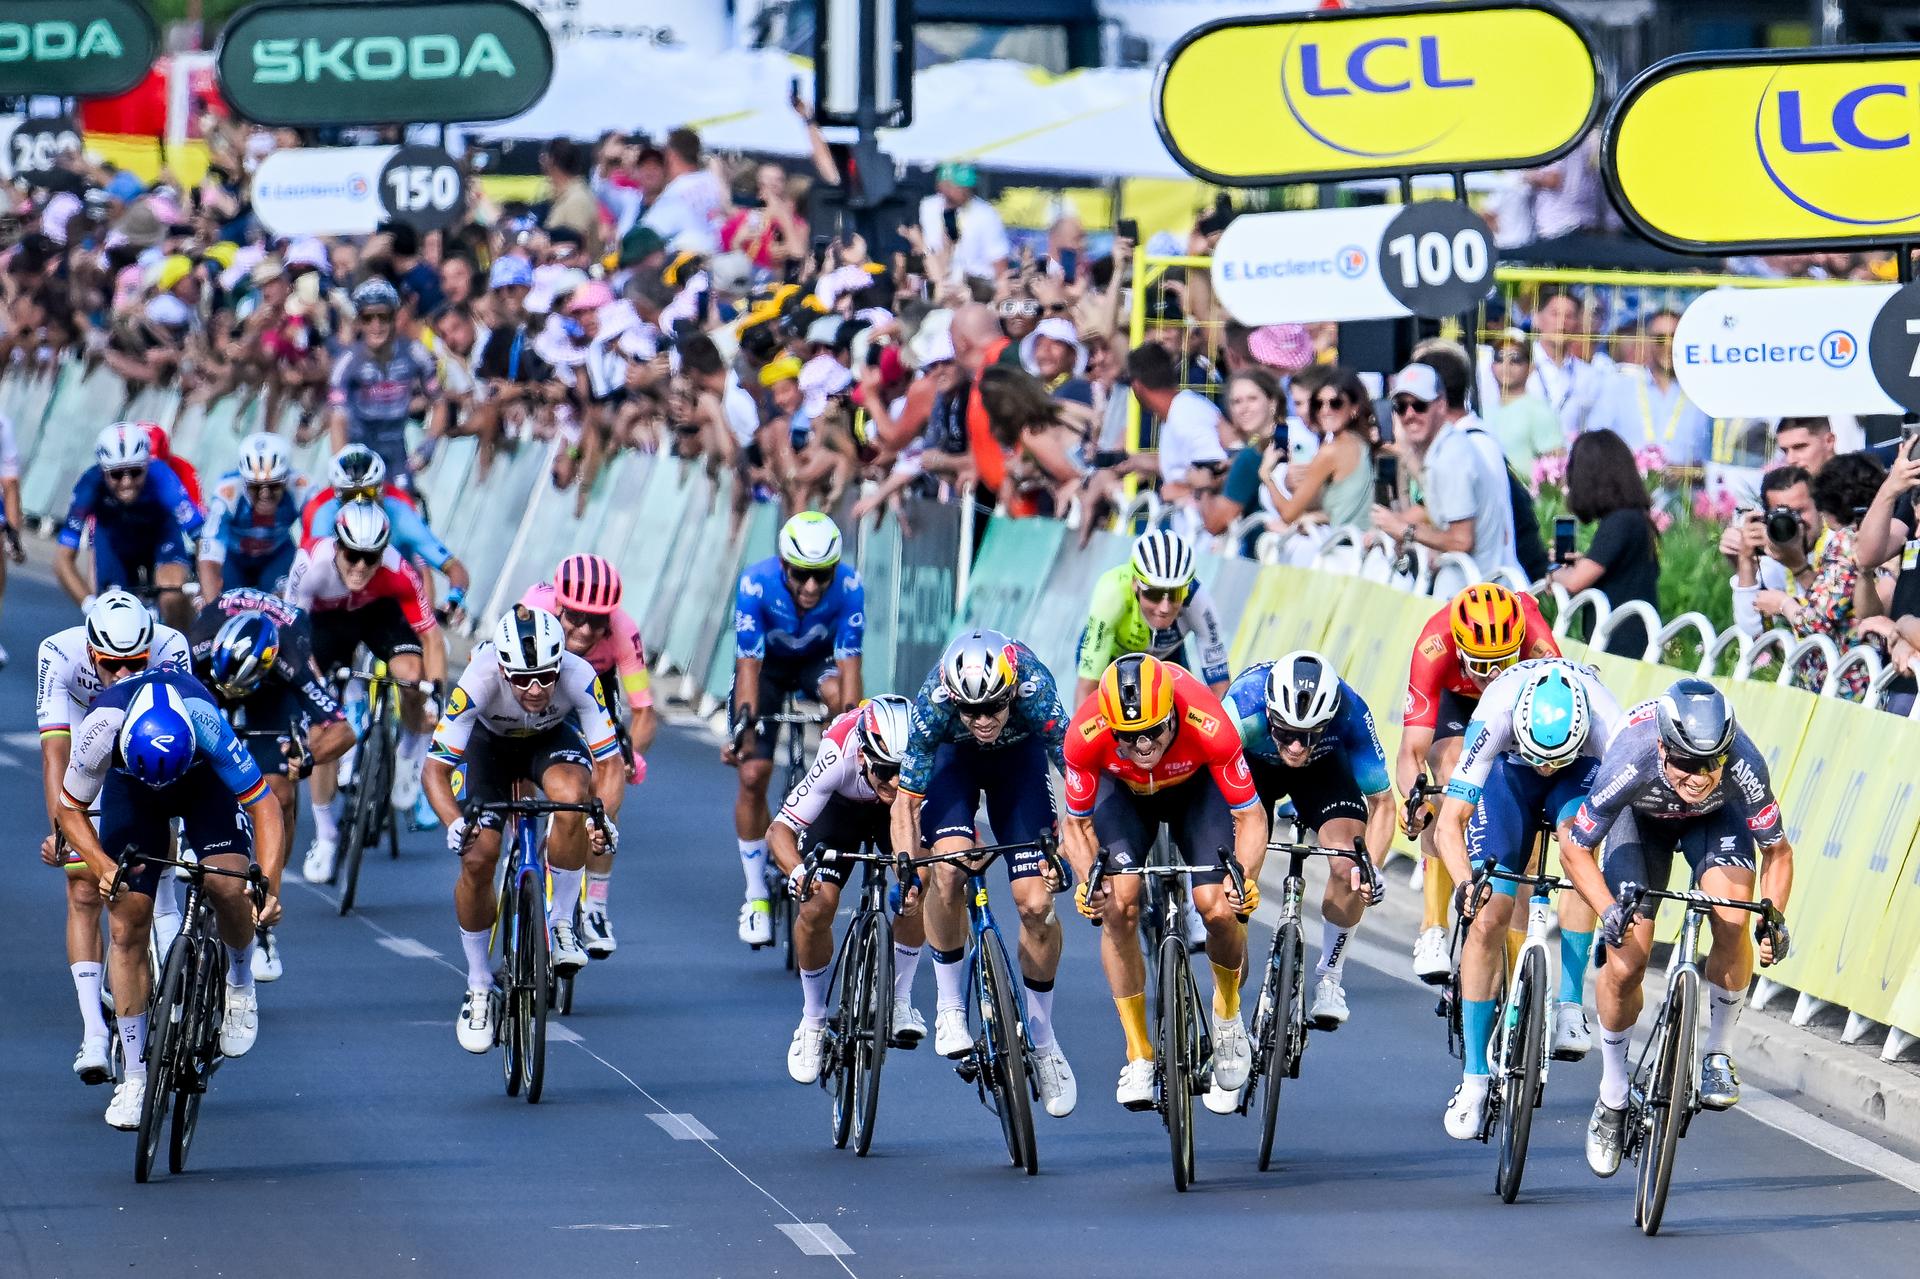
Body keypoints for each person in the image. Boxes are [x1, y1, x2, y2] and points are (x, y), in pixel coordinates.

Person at [1561, 680, 1794, 1176]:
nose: (1698, 776)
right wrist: (1606, 910)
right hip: (1638, 822)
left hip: (1714, 823)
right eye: (1686, 763)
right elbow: (1575, 848)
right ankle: (1613, 1092)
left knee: (1733, 916)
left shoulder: (1743, 765)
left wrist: (1772, 915)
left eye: (1711, 764)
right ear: (1664, 746)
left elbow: (1778, 851)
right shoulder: (1631, 757)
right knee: (1627, 961)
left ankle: (1718, 1052)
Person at [55, 668, 286, 1128]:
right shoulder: (101, 728)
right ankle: (136, 1078)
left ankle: (239, 984)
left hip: (202, 785)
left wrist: (269, 885)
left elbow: (266, 806)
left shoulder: (205, 722)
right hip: (132, 790)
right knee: (126, 922)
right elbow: (69, 810)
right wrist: (102, 868)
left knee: (227, 885)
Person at [1061, 654, 1267, 1111]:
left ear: (1173, 713)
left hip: (1196, 791)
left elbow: (1251, 816)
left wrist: (1245, 879)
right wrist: (1086, 881)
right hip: (1125, 798)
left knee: (1216, 905)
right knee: (1118, 903)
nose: (1144, 745)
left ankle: (1229, 1016)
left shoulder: (1207, 720)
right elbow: (1074, 826)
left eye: (1155, 730)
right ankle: (1138, 1052)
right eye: (1130, 737)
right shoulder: (1085, 732)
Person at [1431, 660, 1621, 1138]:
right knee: (1488, 915)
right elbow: (1450, 822)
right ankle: (1474, 1078)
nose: (1546, 767)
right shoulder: (1495, 710)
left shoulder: (1606, 721)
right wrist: (1463, 886)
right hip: (1507, 775)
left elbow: (1628, 815)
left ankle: (1572, 1006)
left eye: (1553, 758)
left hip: (1583, 773)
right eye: (1541, 756)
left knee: (1579, 848)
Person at [891, 629, 1076, 1116]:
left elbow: (1080, 782)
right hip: (956, 765)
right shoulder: (933, 702)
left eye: (993, 707)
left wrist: (1074, 855)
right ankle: (950, 1004)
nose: (983, 720)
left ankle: (1042, 1038)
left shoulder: (1035, 686)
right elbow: (906, 808)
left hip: (1019, 764)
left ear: (1012, 691)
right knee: (948, 868)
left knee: (1036, 905)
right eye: (970, 711)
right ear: (954, 700)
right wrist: (909, 870)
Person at [423, 606, 624, 1053]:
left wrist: (602, 819)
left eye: (545, 677)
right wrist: (454, 823)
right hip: (487, 748)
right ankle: (478, 983)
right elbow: (435, 770)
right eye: (521, 679)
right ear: (501, 667)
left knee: (574, 800)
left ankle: (561, 922)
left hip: (549, 741)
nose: (534, 689)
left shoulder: (579, 674)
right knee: (479, 855)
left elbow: (610, 765)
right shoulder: (478, 678)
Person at [35, 592, 191, 1084]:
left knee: (157, 839)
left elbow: (185, 738)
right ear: (90, 652)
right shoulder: (58, 653)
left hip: (149, 728)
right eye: (111, 664)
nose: (123, 674)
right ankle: (94, 1036)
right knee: (82, 886)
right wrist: (63, 832)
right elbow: (56, 754)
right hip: (88, 731)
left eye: (135, 663)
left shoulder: (172, 645)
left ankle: (167, 932)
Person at [1222, 651, 1393, 1046]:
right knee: (1234, 889)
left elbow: (1383, 804)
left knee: (1350, 864)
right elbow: (1207, 781)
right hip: (1250, 770)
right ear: (1268, 714)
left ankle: (1331, 977)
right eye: (1285, 733)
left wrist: (1372, 870)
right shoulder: (1243, 705)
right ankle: (1227, 1019)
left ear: (1328, 720)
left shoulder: (1350, 710)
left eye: (1309, 735)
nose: (1297, 747)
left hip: (1324, 772)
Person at [189, 590, 355, 982]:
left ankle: (263, 918)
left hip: (272, 695)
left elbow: (344, 730)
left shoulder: (291, 661)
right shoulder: (199, 641)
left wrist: (307, 757)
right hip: (211, 677)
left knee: (280, 793)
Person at [1398, 584, 1561, 983]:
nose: (1492, 674)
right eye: (1481, 665)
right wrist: (1415, 800)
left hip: (1520, 701)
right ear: (1458, 649)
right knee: (1448, 772)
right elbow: (1411, 753)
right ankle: (1433, 928)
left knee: (1532, 828)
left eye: (1503, 661)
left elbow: (1560, 722)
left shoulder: (1538, 642)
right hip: (1459, 704)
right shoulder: (1433, 645)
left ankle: (1516, 970)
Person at [725, 513, 865, 948]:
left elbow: (850, 671)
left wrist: (850, 729)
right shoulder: (755, 584)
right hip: (766, 668)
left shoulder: (849, 587)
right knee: (753, 774)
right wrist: (743, 729)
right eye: (801, 575)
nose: (809, 587)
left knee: (839, 698)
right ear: (784, 566)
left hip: (816, 666)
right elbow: (747, 665)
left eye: (820, 575)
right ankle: (755, 897)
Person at [771, 695, 924, 1083]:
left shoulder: (919, 757)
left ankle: (901, 999)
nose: (895, 780)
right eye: (886, 770)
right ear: (863, 757)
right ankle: (812, 1021)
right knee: (817, 905)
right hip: (841, 810)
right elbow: (780, 831)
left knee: (923, 885)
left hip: (901, 814)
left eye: (903, 771)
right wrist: (798, 874)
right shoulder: (838, 753)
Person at [286, 501, 439, 883]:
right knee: (322, 730)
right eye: (352, 555)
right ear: (337, 547)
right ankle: (325, 835)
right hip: (325, 622)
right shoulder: (310, 563)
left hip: (378, 614)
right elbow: (290, 633)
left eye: (369, 558)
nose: (359, 566)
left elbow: (431, 637)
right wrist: (314, 687)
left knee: (411, 674)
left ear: (382, 553)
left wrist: (433, 692)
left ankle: (406, 755)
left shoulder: (398, 571)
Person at [519, 553, 657, 956]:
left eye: (597, 620)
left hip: (594, 687)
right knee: (522, 760)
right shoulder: (535, 608)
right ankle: (523, 854)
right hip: (539, 681)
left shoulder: (622, 631)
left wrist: (634, 753)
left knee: (605, 780)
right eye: (576, 616)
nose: (584, 629)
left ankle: (595, 905)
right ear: (559, 605)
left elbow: (644, 710)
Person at [1370, 363, 1521, 579]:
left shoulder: (1452, 456)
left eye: (1419, 405)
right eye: (1401, 406)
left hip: (1475, 595)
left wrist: (1405, 530)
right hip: (1469, 587)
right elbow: (1437, 510)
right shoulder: (1444, 448)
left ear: (1441, 405)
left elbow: (1462, 540)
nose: (1409, 414)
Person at [54, 423, 204, 630]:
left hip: (160, 538)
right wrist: (89, 605)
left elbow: (201, 536)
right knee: (112, 616)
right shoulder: (89, 484)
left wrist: (204, 586)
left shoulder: (161, 475)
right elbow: (63, 559)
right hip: (114, 544)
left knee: (172, 594)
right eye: (116, 474)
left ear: (146, 465)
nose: (126, 482)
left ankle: (184, 650)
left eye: (135, 472)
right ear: (103, 471)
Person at [1075, 529, 1230, 708]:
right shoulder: (1112, 593)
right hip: (1113, 657)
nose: (1164, 607)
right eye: (1154, 594)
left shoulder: (1197, 599)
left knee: (1186, 711)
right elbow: (1087, 690)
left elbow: (1220, 688)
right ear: (1135, 584)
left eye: (1175, 593)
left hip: (1167, 656)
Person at [1774, 452, 1885, 698]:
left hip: (1845, 683)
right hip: (1867, 675)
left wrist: (1783, 604)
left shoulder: (1846, 542)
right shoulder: (1880, 537)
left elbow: (1818, 619)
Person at [1545, 430, 1662, 659]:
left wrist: (1555, 571)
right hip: (1628, 645)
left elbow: (1575, 582)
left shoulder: (1620, 522)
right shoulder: (1633, 518)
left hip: (1619, 649)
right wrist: (1578, 565)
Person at [326, 278, 441, 491]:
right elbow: (337, 419)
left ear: (394, 318)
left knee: (406, 510)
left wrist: (428, 447)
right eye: (368, 318)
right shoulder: (347, 362)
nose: (376, 326)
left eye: (383, 317)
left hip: (396, 452)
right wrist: (341, 465)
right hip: (357, 451)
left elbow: (440, 401)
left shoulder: (416, 354)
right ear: (359, 321)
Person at [1265, 368, 1377, 542]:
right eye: (1319, 404)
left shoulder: (1330, 452)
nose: (1325, 410)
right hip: (1360, 548)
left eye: (1335, 403)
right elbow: (1345, 506)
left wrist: (1267, 477)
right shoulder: (1361, 442)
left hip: (1343, 551)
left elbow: (1288, 514)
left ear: (1354, 408)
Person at [1589, 310, 1713, 467]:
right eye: (1660, 339)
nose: (1668, 346)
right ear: (1647, 342)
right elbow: (1594, 444)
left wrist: (1687, 471)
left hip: (1685, 490)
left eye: (1674, 337)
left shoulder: (1701, 395)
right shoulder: (1618, 388)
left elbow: (1714, 458)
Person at [197, 432, 311, 599]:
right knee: (222, 604)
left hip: (277, 555)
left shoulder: (301, 488)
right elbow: (209, 554)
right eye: (255, 487)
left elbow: (316, 541)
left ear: (286, 480)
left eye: (273, 486)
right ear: (244, 482)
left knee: (282, 603)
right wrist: (213, 609)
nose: (265, 494)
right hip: (234, 558)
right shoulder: (228, 491)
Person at [1721, 464, 1818, 640]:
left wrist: (1798, 566)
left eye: (1799, 511)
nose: (1794, 522)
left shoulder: (1837, 544)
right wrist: (1745, 561)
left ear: (1819, 507)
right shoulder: (1774, 549)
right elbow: (1752, 628)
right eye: (1782, 515)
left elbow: (1831, 614)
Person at [1124, 343, 1227, 504]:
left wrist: (1183, 490)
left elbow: (1221, 470)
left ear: (1137, 387)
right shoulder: (1176, 411)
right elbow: (1179, 464)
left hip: (1205, 526)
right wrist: (1127, 461)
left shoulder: (1186, 415)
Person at [1480, 331, 1563, 473]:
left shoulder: (1539, 411)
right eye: (1500, 358)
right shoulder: (1482, 412)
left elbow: (1557, 468)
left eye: (1515, 358)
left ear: (1530, 368)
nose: (1506, 365)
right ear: (1492, 366)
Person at [917, 162, 1010, 285]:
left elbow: (999, 260)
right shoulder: (926, 208)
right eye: (960, 186)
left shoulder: (986, 214)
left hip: (976, 288)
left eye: (968, 186)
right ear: (942, 185)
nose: (966, 191)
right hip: (937, 284)